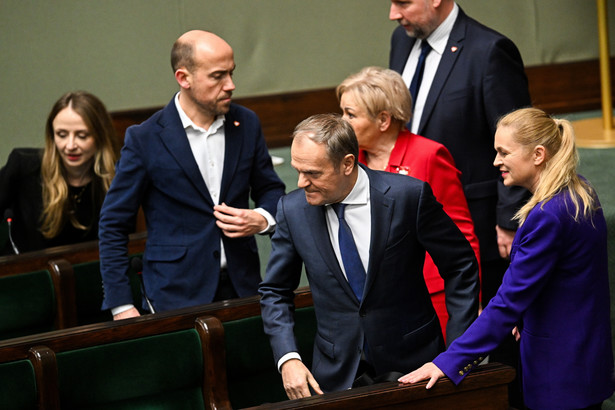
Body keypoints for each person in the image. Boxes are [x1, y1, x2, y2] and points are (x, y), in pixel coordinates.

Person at [400, 108, 615, 410]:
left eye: (504, 152)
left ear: (538, 154)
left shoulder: (548, 216)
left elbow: (507, 302)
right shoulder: (580, 190)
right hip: (584, 361)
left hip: (560, 375)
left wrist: (448, 362)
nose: (496, 162)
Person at [259, 113, 479, 399]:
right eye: (297, 170)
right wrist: (288, 358)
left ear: (347, 163)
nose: (301, 183)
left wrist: (457, 353)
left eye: (313, 173)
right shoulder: (292, 210)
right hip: (336, 375)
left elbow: (460, 266)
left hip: (415, 364)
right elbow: (275, 291)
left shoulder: (407, 197)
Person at [99, 30, 285, 319]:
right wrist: (121, 305)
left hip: (243, 286)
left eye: (232, 73)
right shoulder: (145, 138)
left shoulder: (246, 123)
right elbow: (113, 224)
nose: (231, 85)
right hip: (175, 294)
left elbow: (271, 190)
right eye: (218, 76)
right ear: (184, 78)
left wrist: (262, 218)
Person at [389, 0, 531, 306]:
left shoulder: (490, 51)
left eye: (403, 3)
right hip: (412, 216)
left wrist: (509, 220)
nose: (393, 14)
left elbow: (518, 142)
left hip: (474, 221)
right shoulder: (402, 39)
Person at [337, 66, 480, 341]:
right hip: (376, 299)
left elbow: (461, 235)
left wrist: (471, 301)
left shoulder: (428, 156)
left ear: (383, 120)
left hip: (431, 296)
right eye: (342, 112)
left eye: (350, 115)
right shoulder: (353, 162)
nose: (342, 122)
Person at [0, 91, 119, 254]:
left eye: (82, 136)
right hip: (27, 274)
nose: (70, 145)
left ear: (100, 136)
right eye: (61, 135)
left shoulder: (116, 178)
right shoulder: (23, 167)